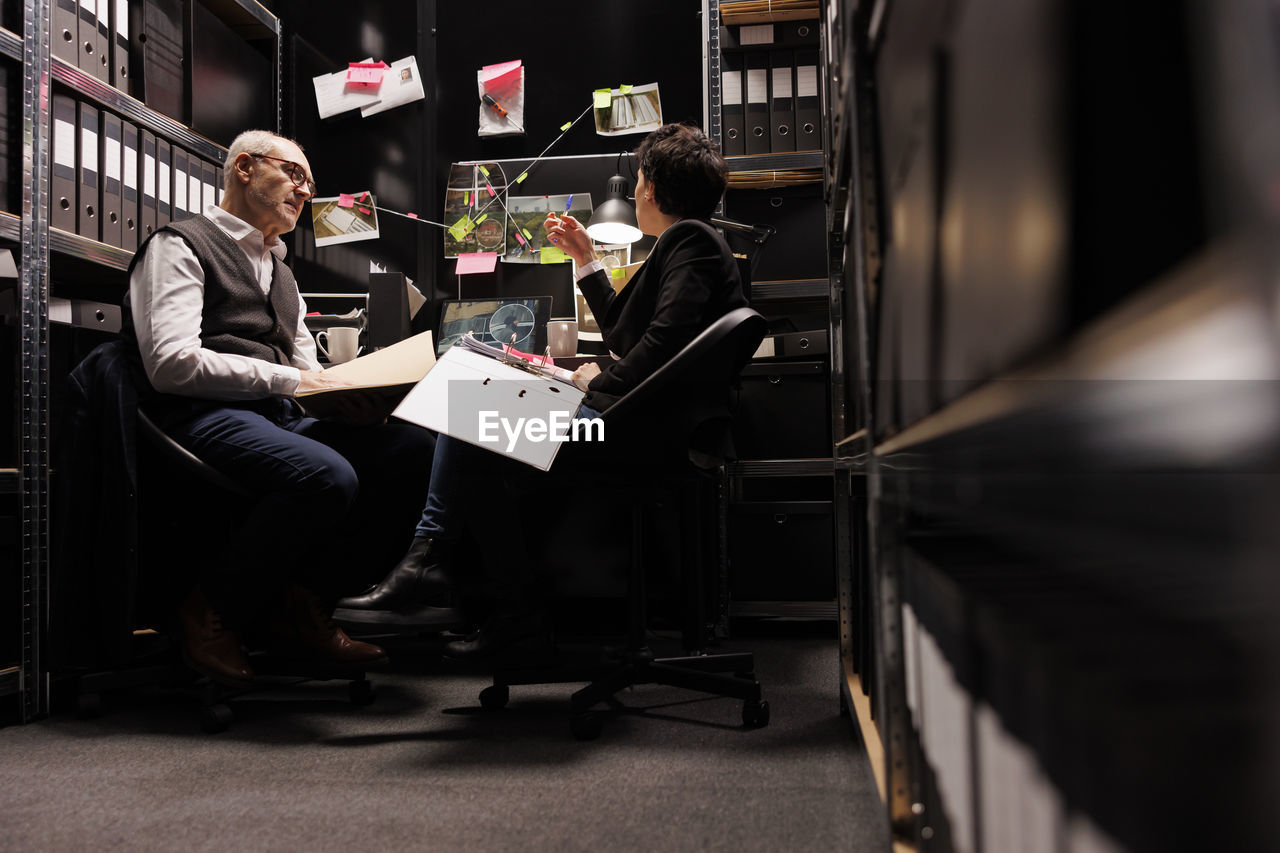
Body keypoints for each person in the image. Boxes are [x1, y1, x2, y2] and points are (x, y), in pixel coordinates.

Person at [335, 123, 748, 657]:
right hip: (643, 424)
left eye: (641, 177)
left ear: (649, 188)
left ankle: (440, 573)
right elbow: (629, 334)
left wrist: (597, 382)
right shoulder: (691, 244)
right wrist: (584, 257)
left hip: (634, 431)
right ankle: (502, 610)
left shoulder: (687, 240)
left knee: (465, 403)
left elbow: (664, 343)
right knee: (475, 439)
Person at [121, 129, 436, 687]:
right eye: (295, 174)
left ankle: (304, 605)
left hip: (274, 416)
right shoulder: (179, 245)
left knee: (411, 450)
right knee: (325, 475)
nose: (305, 191)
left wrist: (348, 399)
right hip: (198, 415)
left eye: (309, 183)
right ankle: (208, 608)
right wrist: (292, 382)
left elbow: (304, 369)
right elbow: (170, 364)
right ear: (244, 168)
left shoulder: (283, 273)